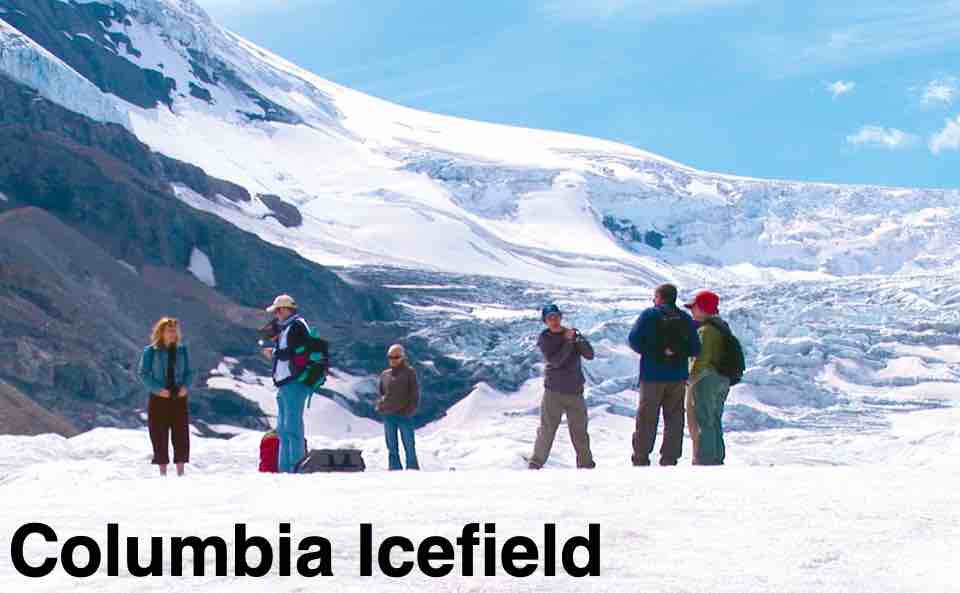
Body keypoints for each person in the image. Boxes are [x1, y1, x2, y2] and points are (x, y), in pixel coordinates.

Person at [627, 284, 701, 466]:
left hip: (652, 375)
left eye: (655, 297)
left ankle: (641, 457)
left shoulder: (649, 315)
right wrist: (677, 354)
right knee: (675, 418)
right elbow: (695, 348)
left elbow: (634, 340)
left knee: (647, 417)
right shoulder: (685, 318)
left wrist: (655, 352)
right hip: (677, 377)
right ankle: (670, 457)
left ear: (660, 297)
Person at [528, 304, 596, 470]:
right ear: (545, 321)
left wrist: (578, 339)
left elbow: (589, 354)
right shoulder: (545, 338)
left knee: (580, 431)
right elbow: (556, 361)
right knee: (547, 430)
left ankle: (586, 465)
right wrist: (568, 341)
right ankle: (535, 464)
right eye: (550, 318)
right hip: (554, 392)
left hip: (575, 391)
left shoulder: (572, 333)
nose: (554, 321)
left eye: (556, 316)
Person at [260, 294, 313, 474]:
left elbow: (292, 352)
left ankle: (296, 468)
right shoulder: (291, 326)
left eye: (276, 311)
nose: (275, 315)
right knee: (283, 429)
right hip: (286, 383)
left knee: (292, 427)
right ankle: (285, 469)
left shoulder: (296, 326)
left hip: (294, 382)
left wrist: (274, 353)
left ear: (283, 310)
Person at [139, 317, 194, 477]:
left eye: (174, 330)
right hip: (159, 398)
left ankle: (180, 471)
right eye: (169, 330)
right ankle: (162, 471)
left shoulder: (182, 350)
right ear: (161, 332)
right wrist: (157, 389)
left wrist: (186, 387)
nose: (172, 333)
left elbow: (190, 372)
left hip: (179, 397)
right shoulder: (151, 351)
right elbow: (143, 373)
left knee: (181, 433)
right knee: (159, 433)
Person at [685, 290, 732, 466]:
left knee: (702, 418)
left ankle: (704, 459)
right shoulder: (722, 327)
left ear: (703, 308)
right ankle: (716, 456)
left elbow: (700, 358)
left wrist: (690, 377)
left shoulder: (706, 330)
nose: (692, 311)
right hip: (722, 379)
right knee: (714, 419)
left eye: (694, 307)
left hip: (705, 378)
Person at [376, 344, 420, 471]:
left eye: (396, 357)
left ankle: (412, 470)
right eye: (390, 357)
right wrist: (380, 406)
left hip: (404, 416)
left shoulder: (409, 372)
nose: (393, 360)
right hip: (388, 415)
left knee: (409, 445)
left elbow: (414, 394)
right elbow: (382, 392)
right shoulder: (385, 374)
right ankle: (394, 469)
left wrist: (409, 411)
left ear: (402, 357)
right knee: (391, 446)